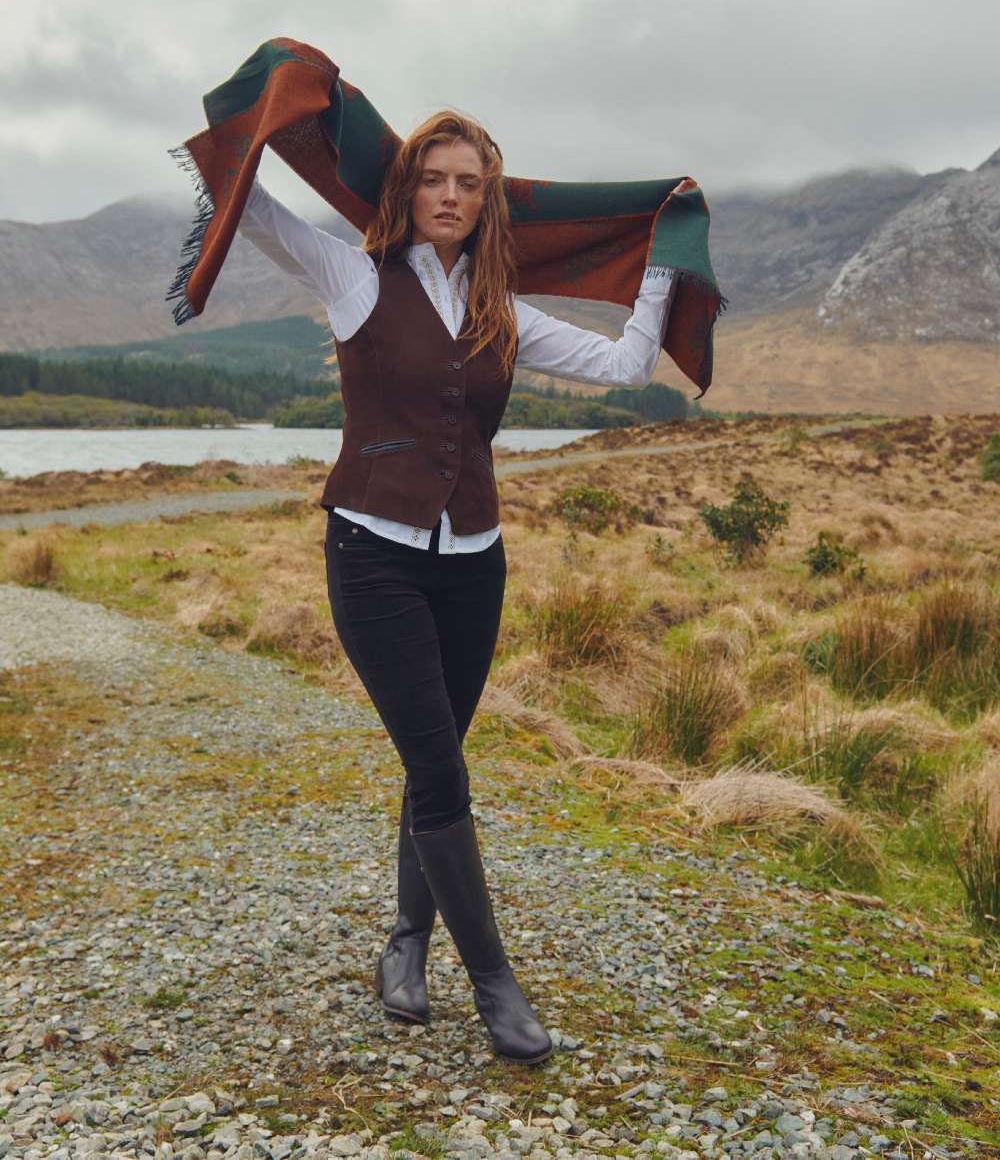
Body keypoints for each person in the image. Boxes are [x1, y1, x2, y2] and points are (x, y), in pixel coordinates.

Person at [238, 112, 689, 1064]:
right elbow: (259, 216)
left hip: (473, 561)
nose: (451, 196)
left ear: (488, 202)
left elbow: (625, 364)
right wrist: (230, 137)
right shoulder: (354, 277)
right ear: (407, 190)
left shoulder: (504, 312)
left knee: (430, 759)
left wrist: (662, 258)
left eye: (469, 184)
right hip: (373, 554)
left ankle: (406, 945)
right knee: (443, 772)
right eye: (434, 179)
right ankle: (495, 983)